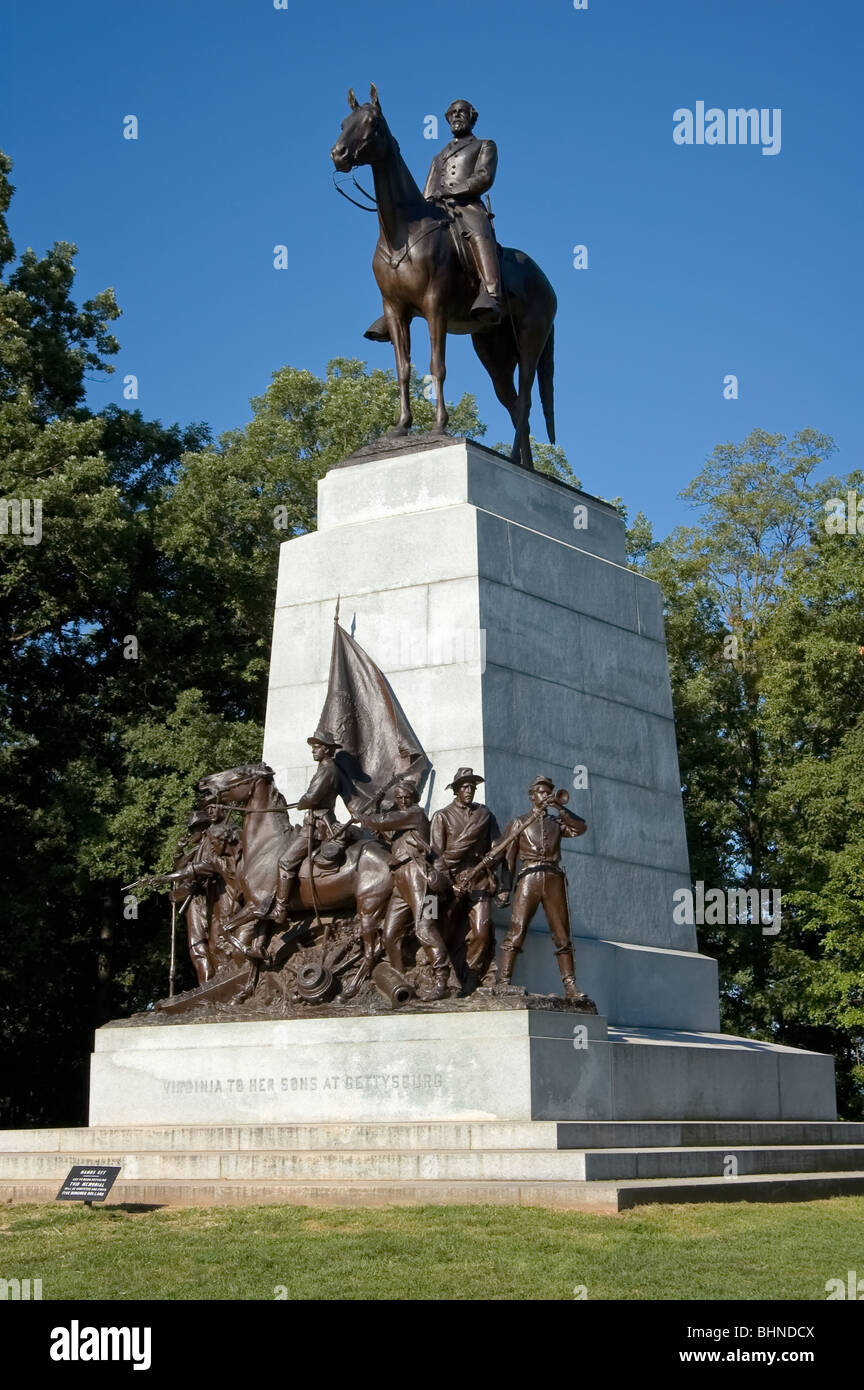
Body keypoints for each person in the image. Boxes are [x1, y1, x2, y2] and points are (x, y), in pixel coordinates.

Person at [493, 775, 590, 1004]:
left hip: (554, 877)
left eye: (549, 792)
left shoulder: (557, 823)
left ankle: (570, 986)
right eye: (541, 792)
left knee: (562, 934)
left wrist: (560, 808)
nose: (545, 795)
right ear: (532, 796)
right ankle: (504, 981)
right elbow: (508, 858)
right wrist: (505, 888)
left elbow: (581, 828)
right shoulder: (519, 822)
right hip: (528, 876)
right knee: (516, 930)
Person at [361, 779, 452, 1001]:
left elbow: (382, 821)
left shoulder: (415, 814)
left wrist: (364, 816)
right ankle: (400, 980)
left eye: (406, 797)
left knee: (425, 927)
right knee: (390, 933)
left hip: (419, 876)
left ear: (414, 798)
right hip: (401, 878)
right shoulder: (402, 823)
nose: (402, 801)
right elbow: (380, 827)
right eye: (399, 798)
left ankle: (443, 979)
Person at [430, 767, 507, 991]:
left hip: (479, 878)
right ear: (456, 790)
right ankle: (443, 975)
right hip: (451, 879)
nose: (469, 790)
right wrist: (449, 883)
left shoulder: (485, 814)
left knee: (482, 932)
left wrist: (493, 857)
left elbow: (497, 845)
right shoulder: (442, 816)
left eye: (472, 787)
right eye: (465, 786)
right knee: (440, 927)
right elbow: (435, 855)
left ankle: (472, 975)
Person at [270, 727, 343, 925]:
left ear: (327, 750)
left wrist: (302, 801)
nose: (313, 750)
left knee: (285, 861)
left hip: (317, 825)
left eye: (317, 747)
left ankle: (281, 909)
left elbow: (311, 798)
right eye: (313, 747)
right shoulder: (326, 767)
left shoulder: (327, 768)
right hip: (314, 821)